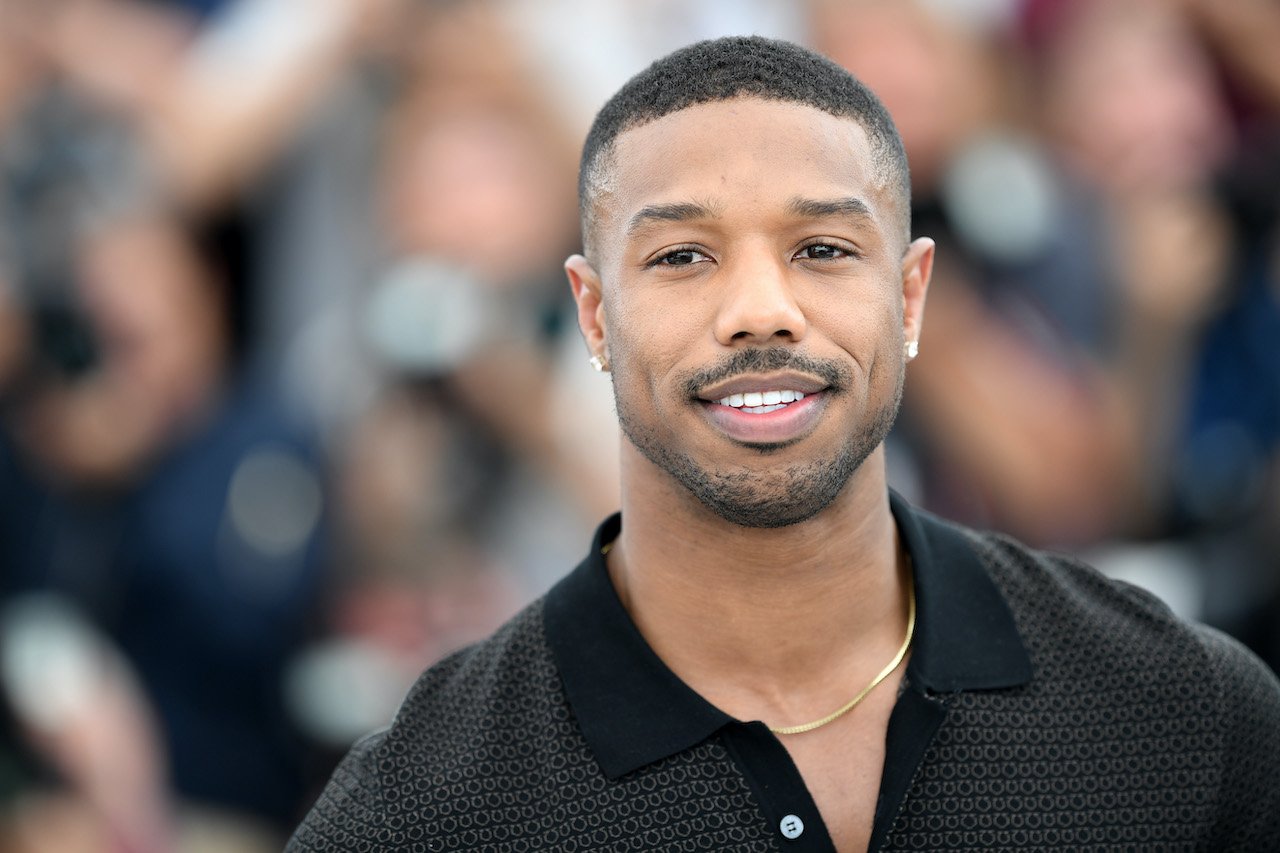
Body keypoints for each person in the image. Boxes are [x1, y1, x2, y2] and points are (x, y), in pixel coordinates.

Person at [288, 36, 1280, 851]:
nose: (759, 311)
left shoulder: (1184, 713)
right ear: (593, 314)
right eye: (682, 255)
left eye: (821, 249)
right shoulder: (418, 810)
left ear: (907, 295)